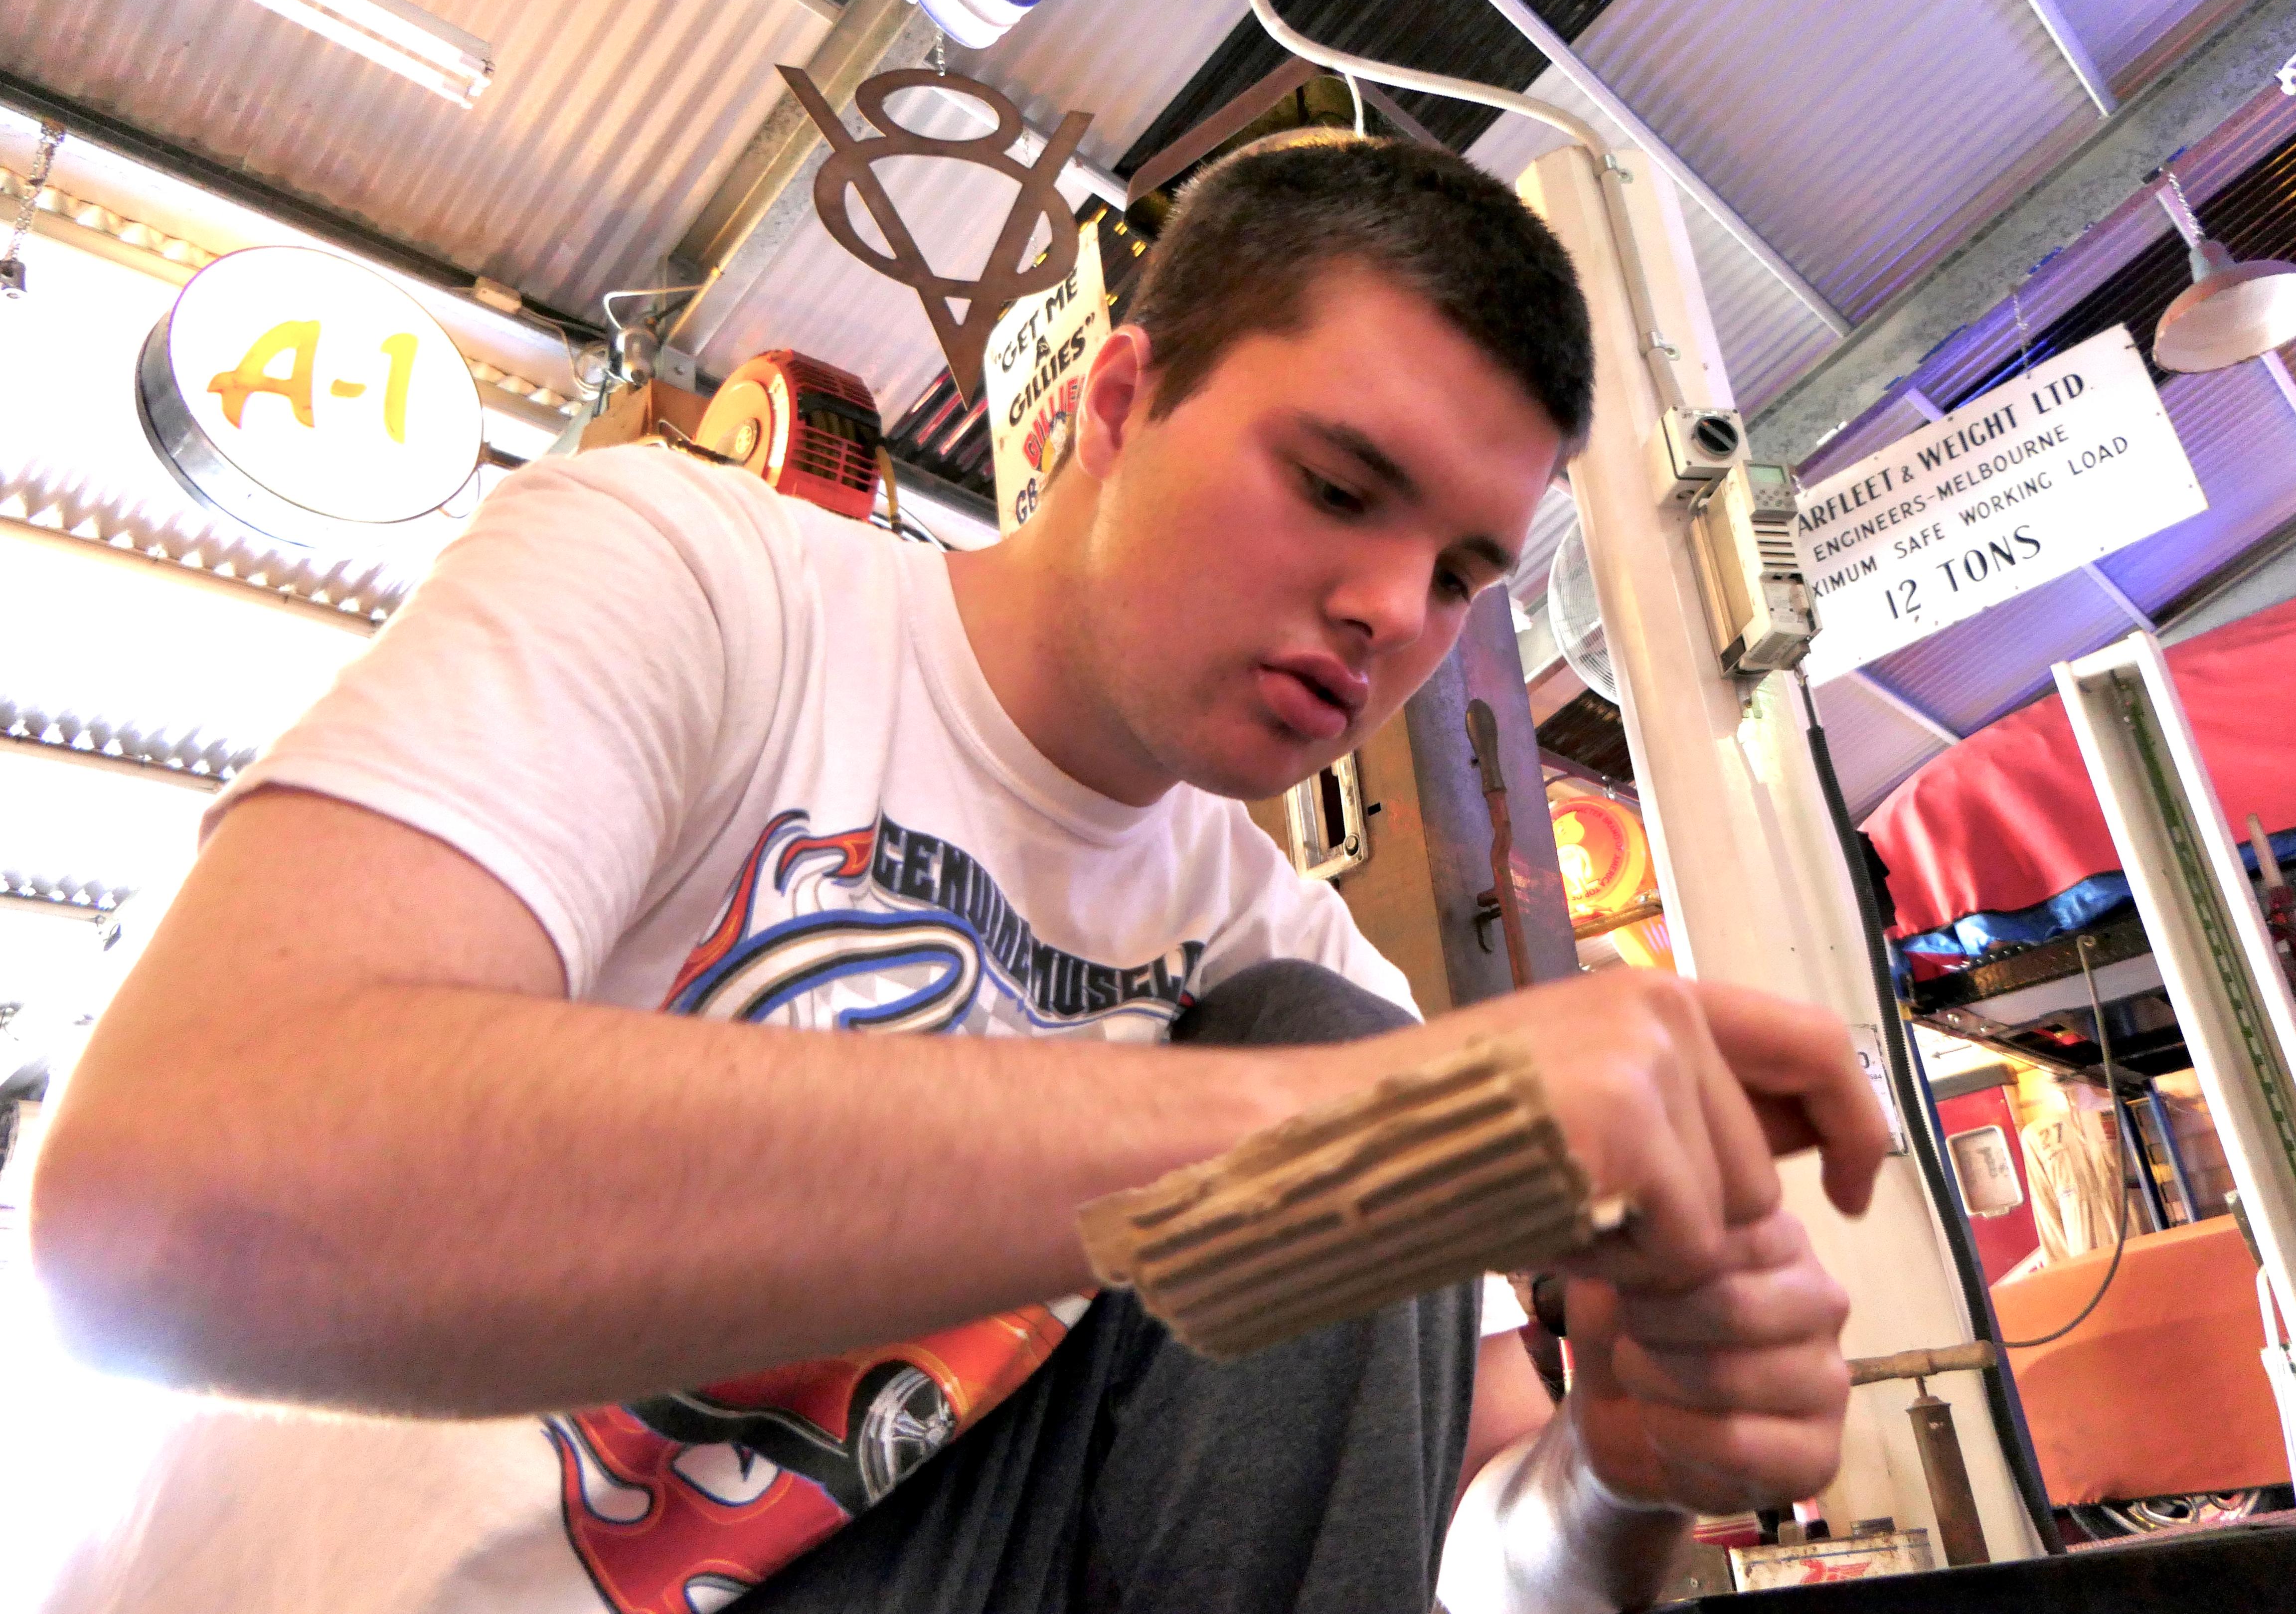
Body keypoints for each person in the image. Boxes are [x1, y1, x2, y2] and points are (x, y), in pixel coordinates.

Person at [28, 133, 1883, 1614]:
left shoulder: (1290, 959)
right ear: (1120, 401)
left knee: (1319, 1036)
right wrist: (1344, 1142)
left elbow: (1448, 1577)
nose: (1395, 611)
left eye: (1465, 574)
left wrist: (1618, 1477)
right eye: (1333, 487)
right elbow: (166, 1206)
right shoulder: (694, 578)